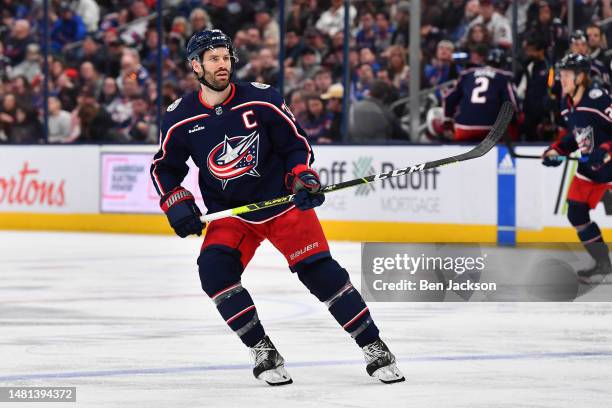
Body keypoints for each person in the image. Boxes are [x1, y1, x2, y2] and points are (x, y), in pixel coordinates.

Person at [150, 29, 405, 386]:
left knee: (321, 274)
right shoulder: (180, 117)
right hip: (234, 215)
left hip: (283, 205)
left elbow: (296, 146)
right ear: (196, 65)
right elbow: (164, 168)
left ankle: (374, 346)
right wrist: (175, 201)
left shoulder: (262, 99)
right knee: (214, 272)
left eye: (225, 57)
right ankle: (263, 350)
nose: (222, 64)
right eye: (213, 59)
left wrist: (302, 176)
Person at [541, 53, 612, 282]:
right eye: (560, 75)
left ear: (581, 77)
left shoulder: (597, 98)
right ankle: (602, 265)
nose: (562, 79)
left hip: (608, 163)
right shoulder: (566, 104)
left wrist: (604, 151)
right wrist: (556, 151)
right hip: (592, 168)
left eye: (566, 75)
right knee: (576, 211)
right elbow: (575, 136)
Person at [443, 47, 518, 141]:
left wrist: (447, 120)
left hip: (464, 127)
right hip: (491, 129)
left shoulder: (467, 74)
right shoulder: (504, 76)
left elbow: (449, 98)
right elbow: (511, 104)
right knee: (513, 125)